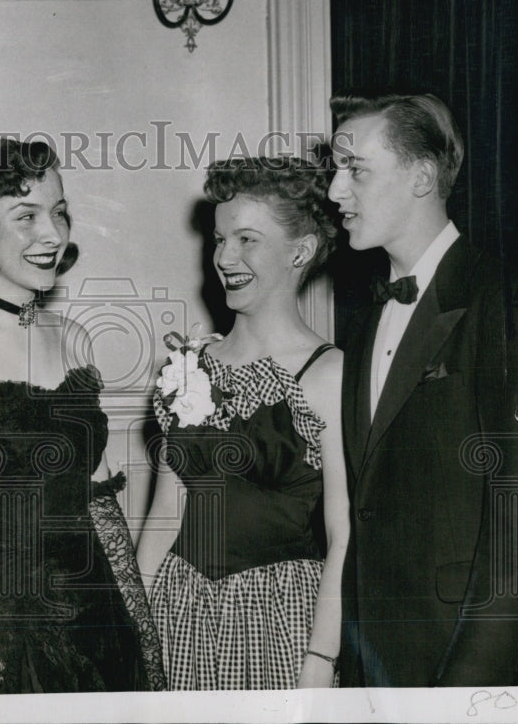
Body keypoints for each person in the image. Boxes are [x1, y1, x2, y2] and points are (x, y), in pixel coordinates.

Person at [0, 137, 165, 694]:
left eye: (60, 212)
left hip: (98, 629)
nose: (53, 234)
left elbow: (101, 511)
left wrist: (143, 636)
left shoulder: (72, 338)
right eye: (26, 216)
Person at [329, 89, 518, 686]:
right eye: (336, 169)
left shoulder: (507, 298)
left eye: (355, 169)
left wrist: (465, 694)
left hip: (461, 670)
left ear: (422, 176)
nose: (334, 191)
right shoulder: (362, 321)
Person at [135, 157, 350, 690]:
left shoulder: (329, 373)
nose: (224, 257)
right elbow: (164, 515)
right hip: (179, 612)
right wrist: (135, 631)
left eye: (247, 240)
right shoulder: (188, 366)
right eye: (219, 239)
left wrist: (321, 660)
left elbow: (343, 534)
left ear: (300, 251)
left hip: (279, 620)